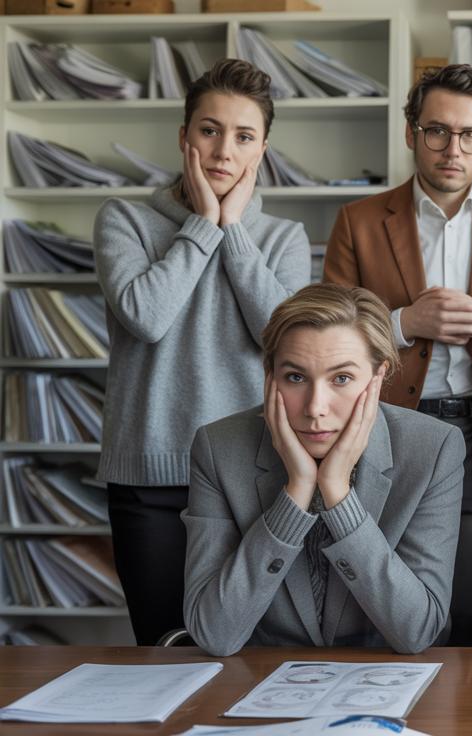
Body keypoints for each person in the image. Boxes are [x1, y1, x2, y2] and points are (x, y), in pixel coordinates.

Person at [93, 59, 311, 646]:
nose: (223, 151)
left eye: (243, 136)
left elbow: (284, 339)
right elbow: (146, 315)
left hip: (252, 475)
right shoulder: (126, 220)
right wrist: (204, 226)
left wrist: (233, 231)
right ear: (184, 136)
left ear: (261, 149)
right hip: (150, 476)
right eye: (209, 130)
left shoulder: (282, 238)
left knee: (249, 654)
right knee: (166, 651)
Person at [323, 63, 472, 515]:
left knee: (469, 579)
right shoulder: (358, 221)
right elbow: (329, 344)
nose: (454, 149)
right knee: (381, 577)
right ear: (412, 134)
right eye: (437, 131)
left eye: (470, 134)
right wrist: (403, 323)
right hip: (385, 426)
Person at [182, 283, 464, 656]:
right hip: (258, 680)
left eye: (341, 379)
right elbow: (213, 633)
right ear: (270, 376)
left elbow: (417, 631)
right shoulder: (219, 448)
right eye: (295, 377)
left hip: (382, 681)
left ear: (378, 377)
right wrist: (297, 490)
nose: (315, 407)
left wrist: (336, 493)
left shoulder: (433, 449)